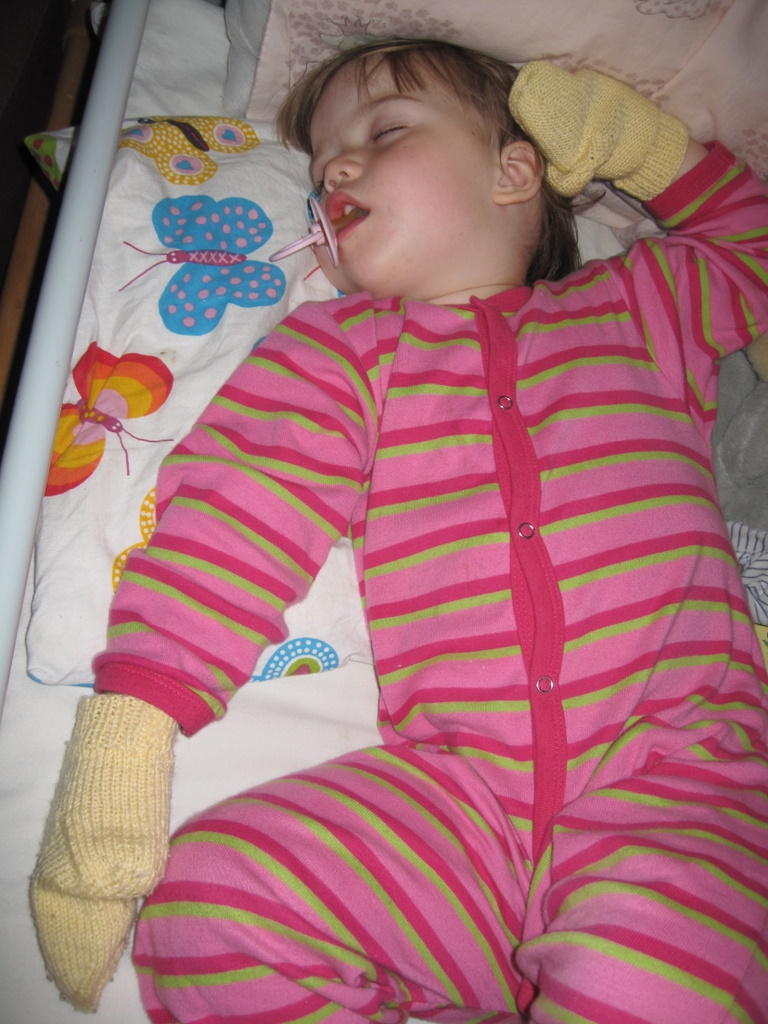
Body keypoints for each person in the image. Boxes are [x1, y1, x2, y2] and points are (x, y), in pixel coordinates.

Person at [30, 38, 768, 1024]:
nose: (336, 169)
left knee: (645, 966)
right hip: (462, 810)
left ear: (516, 172)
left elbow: (750, 249)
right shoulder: (344, 351)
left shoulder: (640, 304)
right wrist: (131, 728)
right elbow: (239, 514)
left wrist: (640, 146)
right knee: (213, 909)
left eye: (383, 134)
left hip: (679, 771)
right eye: (322, 166)